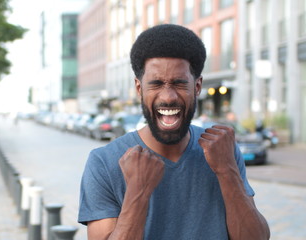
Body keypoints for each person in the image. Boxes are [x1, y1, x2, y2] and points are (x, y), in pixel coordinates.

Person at [78, 24, 270, 240]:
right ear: (139, 88)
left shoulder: (223, 151)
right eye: (156, 84)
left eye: (179, 83)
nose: (168, 96)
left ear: (197, 87)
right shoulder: (104, 162)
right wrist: (138, 192)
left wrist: (227, 171)